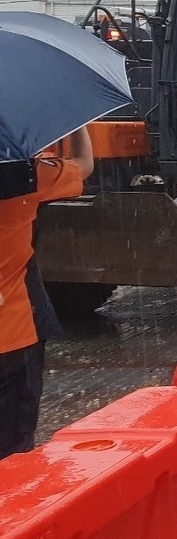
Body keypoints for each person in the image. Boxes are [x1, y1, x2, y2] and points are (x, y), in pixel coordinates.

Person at [1, 125, 93, 459]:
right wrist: (79, 128)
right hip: (13, 333)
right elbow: (84, 164)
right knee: (13, 450)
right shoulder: (25, 176)